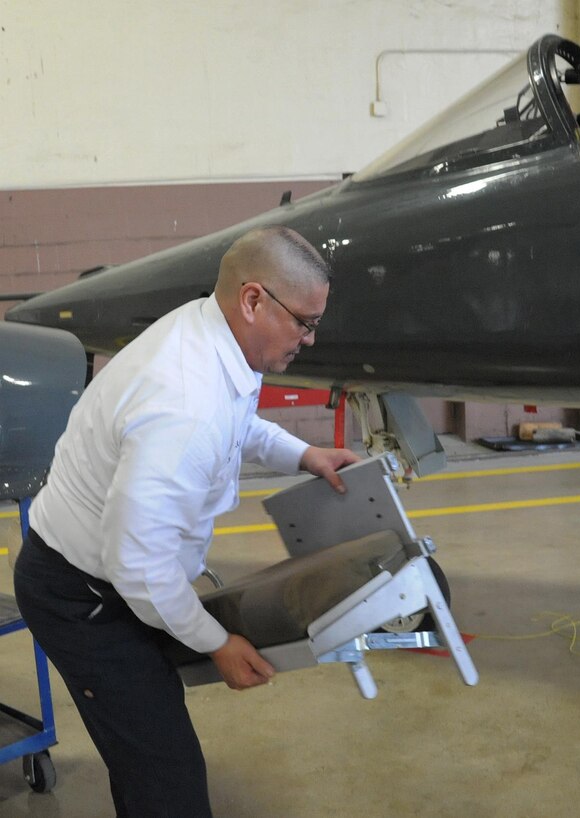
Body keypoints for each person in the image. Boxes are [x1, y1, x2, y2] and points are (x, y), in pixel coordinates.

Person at [14, 225, 361, 817]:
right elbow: (139, 565)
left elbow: (238, 419)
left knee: (153, 747)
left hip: (111, 576)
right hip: (83, 596)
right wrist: (216, 642)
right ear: (253, 300)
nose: (309, 339)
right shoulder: (181, 402)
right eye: (304, 322)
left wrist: (302, 454)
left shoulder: (216, 336)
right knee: (165, 776)